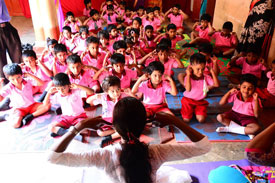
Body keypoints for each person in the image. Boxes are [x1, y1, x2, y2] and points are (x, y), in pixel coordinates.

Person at [47, 97, 211, 183]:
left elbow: (53, 157)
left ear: (115, 128)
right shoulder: (157, 152)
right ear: (145, 126)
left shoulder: (103, 156)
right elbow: (204, 147)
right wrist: (175, 121)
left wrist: (78, 127)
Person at [43, 73, 94, 137]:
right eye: (58, 89)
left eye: (63, 88)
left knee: (85, 130)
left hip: (79, 117)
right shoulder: (58, 95)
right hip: (66, 118)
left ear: (69, 85)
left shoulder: (76, 91)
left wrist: (78, 86)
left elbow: (92, 91)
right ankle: (69, 132)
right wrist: (49, 93)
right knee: (50, 127)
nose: (61, 91)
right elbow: (45, 104)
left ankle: (62, 131)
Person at [86, 75, 129, 147]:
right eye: (112, 91)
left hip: (120, 120)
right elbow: (88, 101)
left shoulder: (123, 95)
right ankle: (117, 132)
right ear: (106, 91)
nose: (116, 93)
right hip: (107, 121)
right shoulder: (103, 97)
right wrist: (95, 96)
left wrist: (130, 93)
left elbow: (135, 100)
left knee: (129, 129)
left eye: (118, 89)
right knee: (100, 133)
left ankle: (109, 138)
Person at [216, 74, 262, 139]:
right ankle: (245, 131)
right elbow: (221, 103)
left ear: (254, 89)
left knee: (256, 128)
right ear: (239, 86)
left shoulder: (255, 99)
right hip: (234, 115)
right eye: (244, 87)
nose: (246, 90)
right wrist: (229, 92)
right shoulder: (236, 94)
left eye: (250, 88)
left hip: (248, 118)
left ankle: (229, 129)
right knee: (219, 117)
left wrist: (256, 100)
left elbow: (256, 115)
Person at [178, 53, 219, 123]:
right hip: (188, 101)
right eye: (198, 69)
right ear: (191, 66)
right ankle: (191, 111)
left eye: (202, 69)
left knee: (201, 120)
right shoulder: (188, 77)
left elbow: (216, 85)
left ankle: (194, 111)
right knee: (186, 120)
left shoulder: (206, 77)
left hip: (200, 102)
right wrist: (188, 74)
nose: (200, 72)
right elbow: (188, 89)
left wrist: (212, 71)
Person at [0, 0, 22, 80]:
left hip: (6, 25)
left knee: (17, 53)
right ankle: (4, 81)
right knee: (0, 61)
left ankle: (20, 76)